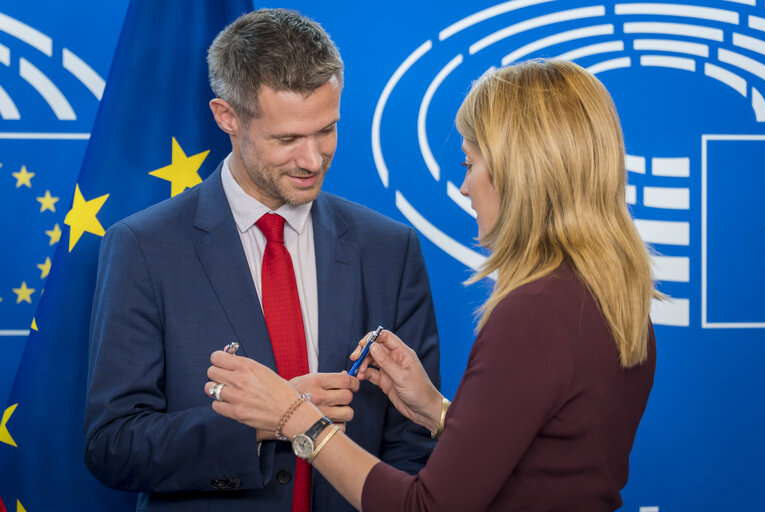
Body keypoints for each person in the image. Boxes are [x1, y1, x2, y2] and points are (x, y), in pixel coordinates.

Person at [205, 59, 659, 511]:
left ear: (521, 173)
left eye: (470, 163)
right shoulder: (604, 295)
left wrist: (293, 414)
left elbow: (426, 507)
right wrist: (434, 409)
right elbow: (548, 465)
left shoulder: (534, 314)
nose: (465, 187)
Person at [84, 8, 439, 512]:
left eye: (327, 130)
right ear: (227, 117)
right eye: (288, 139)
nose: (313, 159)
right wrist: (262, 420)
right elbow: (112, 447)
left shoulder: (390, 249)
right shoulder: (143, 248)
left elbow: (413, 442)